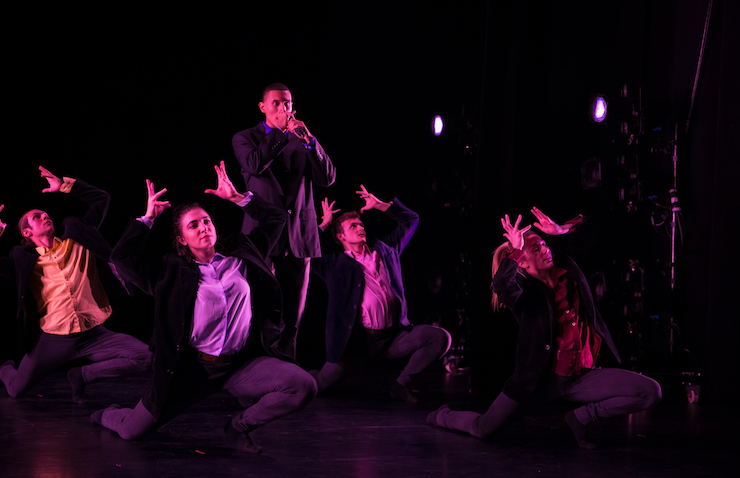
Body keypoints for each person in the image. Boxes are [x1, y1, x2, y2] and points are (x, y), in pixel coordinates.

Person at [91, 162, 316, 453]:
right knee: (131, 432)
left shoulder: (241, 255)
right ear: (182, 239)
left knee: (303, 386)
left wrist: (238, 198)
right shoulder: (170, 272)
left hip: (241, 365)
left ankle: (238, 427)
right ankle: (106, 414)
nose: (203, 228)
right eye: (193, 225)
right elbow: (122, 258)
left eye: (206, 221)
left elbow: (277, 218)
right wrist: (147, 218)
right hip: (191, 370)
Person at [427, 208, 662, 449]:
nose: (546, 249)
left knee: (649, 391)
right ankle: (442, 416)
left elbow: (591, 227)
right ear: (524, 263)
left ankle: (580, 417)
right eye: (535, 249)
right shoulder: (523, 294)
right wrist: (516, 249)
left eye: (544, 244)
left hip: (580, 377)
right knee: (482, 429)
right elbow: (502, 285)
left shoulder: (568, 269)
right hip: (538, 383)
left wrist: (562, 229)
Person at [0, 166, 151, 403]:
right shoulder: (23, 260)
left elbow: (102, 199)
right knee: (16, 390)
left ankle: (82, 375)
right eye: (37, 217)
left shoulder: (78, 238)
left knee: (144, 357)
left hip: (95, 335)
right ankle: (6, 370)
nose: (45, 216)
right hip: (54, 340)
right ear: (27, 232)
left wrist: (64, 186)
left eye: (46, 214)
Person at [310, 186, 452, 403]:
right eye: (353, 226)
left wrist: (380, 205)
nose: (360, 228)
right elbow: (304, 254)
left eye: (361, 224)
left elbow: (411, 220)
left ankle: (401, 385)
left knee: (439, 337)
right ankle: (301, 376)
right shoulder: (334, 264)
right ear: (340, 236)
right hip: (357, 344)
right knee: (316, 388)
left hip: (394, 337)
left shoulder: (386, 249)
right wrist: (324, 224)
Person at [232, 83, 336, 358]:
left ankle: (288, 368)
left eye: (287, 103)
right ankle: (257, 369)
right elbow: (254, 165)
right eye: (276, 103)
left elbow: (327, 178)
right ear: (263, 106)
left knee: (294, 314)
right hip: (263, 235)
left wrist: (310, 140)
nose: (283, 109)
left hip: (299, 234)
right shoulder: (246, 137)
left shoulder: (300, 139)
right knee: (260, 305)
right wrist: (278, 132)